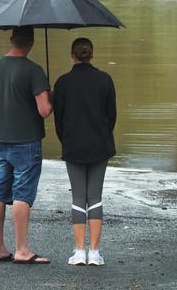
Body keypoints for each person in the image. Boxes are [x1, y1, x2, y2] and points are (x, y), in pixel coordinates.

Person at [0, 26, 53, 264]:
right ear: (31, 42)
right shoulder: (34, 71)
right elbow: (44, 111)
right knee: (22, 194)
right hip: (27, 142)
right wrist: (50, 98)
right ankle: (22, 250)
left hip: (2, 140)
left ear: (12, 40)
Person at [53, 37, 116, 266]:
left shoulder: (62, 83)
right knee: (95, 197)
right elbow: (112, 116)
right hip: (99, 145)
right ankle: (95, 253)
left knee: (78, 197)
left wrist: (67, 140)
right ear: (92, 54)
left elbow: (58, 120)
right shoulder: (105, 80)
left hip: (74, 146)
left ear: (72, 55)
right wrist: (103, 135)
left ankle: (79, 252)